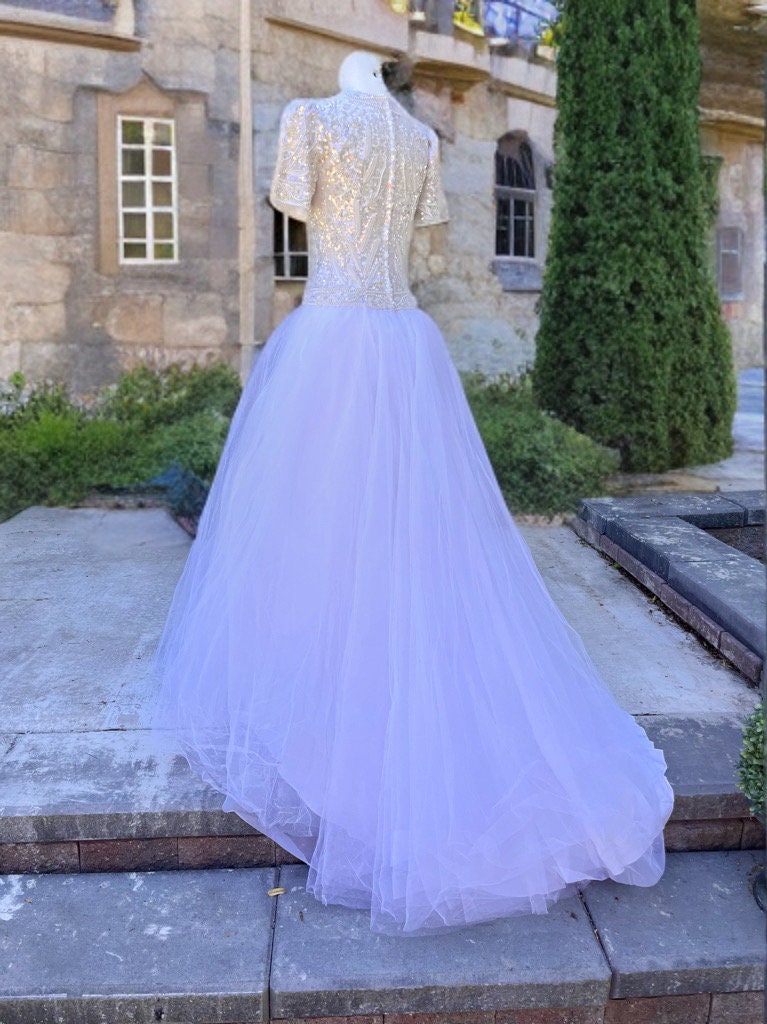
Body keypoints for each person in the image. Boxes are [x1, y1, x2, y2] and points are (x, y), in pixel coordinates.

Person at [150, 50, 674, 936]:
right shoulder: (416, 138)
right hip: (400, 343)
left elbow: (296, 201)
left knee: (310, 520)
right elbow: (411, 228)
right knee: (402, 528)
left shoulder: (314, 119)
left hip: (329, 342)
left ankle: (312, 680)